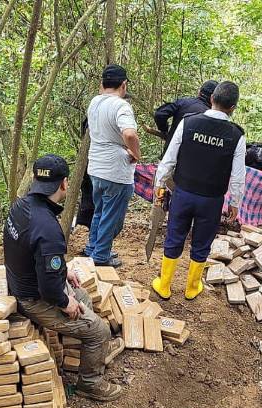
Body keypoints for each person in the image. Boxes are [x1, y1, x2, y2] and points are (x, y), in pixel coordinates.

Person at [3, 154, 125, 402]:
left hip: (23, 281)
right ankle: (89, 383)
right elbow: (49, 287)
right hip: (33, 297)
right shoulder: (48, 228)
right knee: (100, 330)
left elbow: (31, 252)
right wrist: (63, 301)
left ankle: (88, 352)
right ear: (65, 184)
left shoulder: (21, 206)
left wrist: (62, 271)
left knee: (83, 297)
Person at [152, 81, 246, 300]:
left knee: (174, 235)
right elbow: (238, 175)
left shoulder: (188, 123)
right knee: (202, 241)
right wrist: (234, 203)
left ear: (211, 99)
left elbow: (169, 159)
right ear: (233, 107)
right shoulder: (236, 136)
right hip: (212, 200)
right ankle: (192, 287)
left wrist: (159, 184)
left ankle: (164, 284)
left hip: (183, 193)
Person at [82, 64, 141, 267]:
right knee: (111, 216)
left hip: (96, 167)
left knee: (100, 210)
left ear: (102, 84)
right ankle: (101, 256)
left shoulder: (94, 102)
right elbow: (130, 133)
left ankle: (93, 247)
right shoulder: (121, 105)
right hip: (115, 171)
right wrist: (136, 152)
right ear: (123, 84)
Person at [153, 80, 219, 155]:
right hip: (192, 160)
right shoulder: (213, 116)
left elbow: (160, 114)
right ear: (214, 98)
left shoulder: (183, 103)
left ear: (199, 92)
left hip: (170, 154)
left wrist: (164, 130)